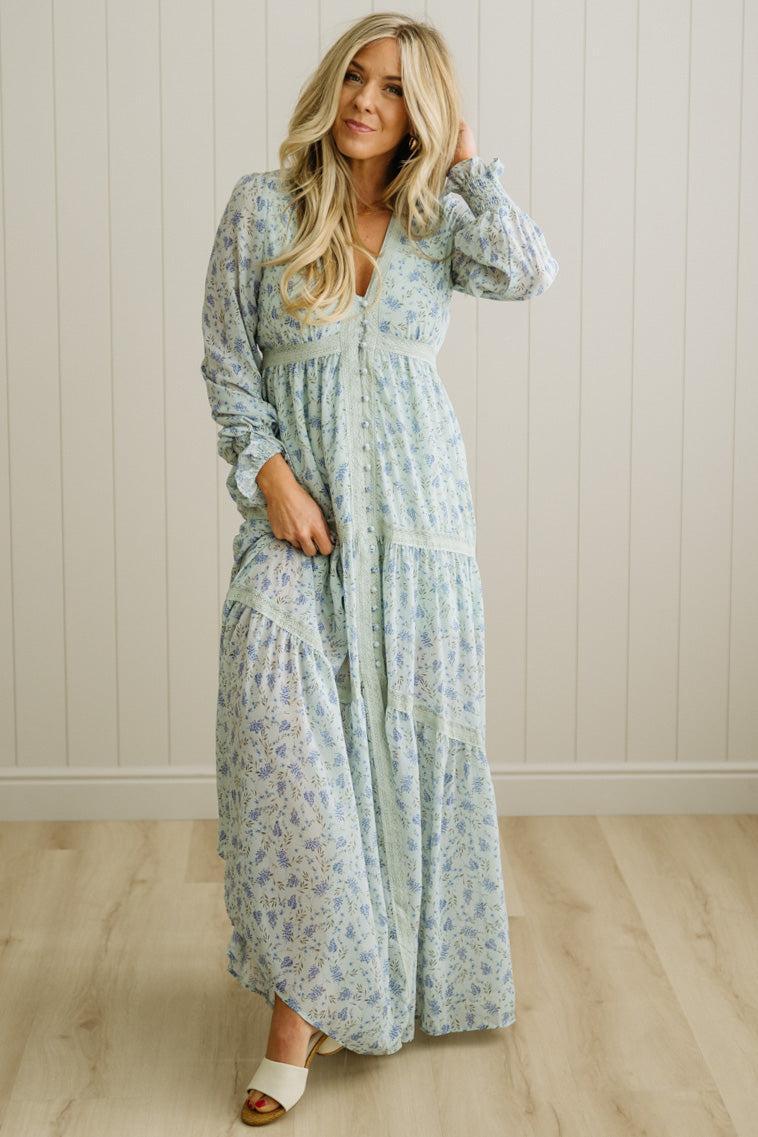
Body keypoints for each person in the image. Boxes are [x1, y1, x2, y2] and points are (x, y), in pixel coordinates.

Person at [200, 11, 558, 1126]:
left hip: (421, 538)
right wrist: (272, 481)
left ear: (422, 116)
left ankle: (365, 995)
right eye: (355, 77)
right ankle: (301, 1008)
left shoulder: (433, 221)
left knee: (400, 755)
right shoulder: (261, 209)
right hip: (298, 534)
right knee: (288, 752)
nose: (364, 100)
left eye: (395, 90)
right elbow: (226, 365)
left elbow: (527, 271)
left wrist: (466, 167)